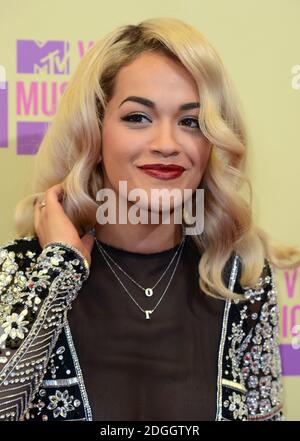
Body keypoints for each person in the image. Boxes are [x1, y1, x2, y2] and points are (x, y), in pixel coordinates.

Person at [0, 17, 299, 422]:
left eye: (190, 121)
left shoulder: (240, 277)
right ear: (95, 129)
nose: (166, 144)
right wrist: (59, 271)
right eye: (138, 117)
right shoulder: (22, 269)